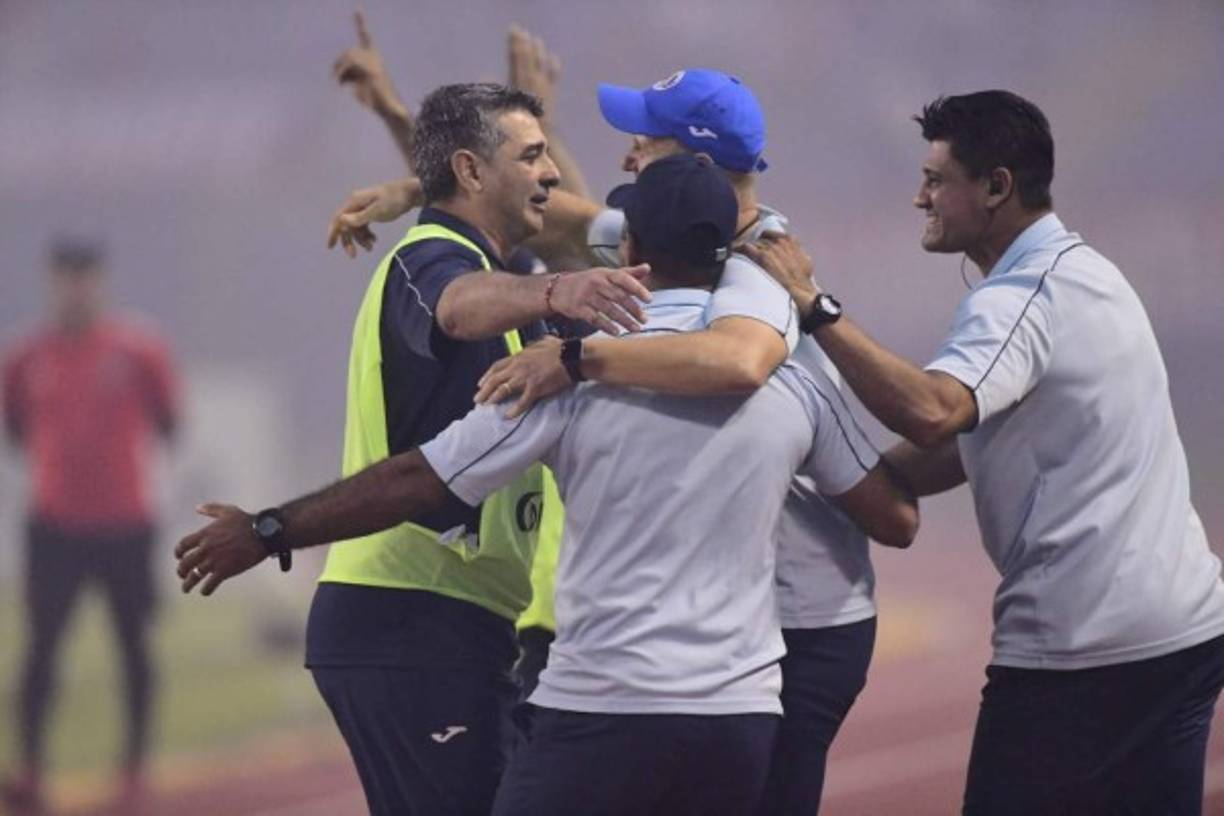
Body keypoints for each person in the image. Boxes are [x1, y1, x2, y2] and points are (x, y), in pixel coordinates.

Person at [175, 153, 919, 815]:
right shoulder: (789, 381)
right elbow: (893, 517)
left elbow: (420, 479)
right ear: (729, 254)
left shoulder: (565, 371)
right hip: (739, 714)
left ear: (629, 248)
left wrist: (269, 529)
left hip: (600, 708)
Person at [745, 89, 1224, 815]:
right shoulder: (1087, 271)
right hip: (1183, 629)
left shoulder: (1022, 295)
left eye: (937, 179)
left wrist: (814, 308)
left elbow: (938, 413)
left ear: (997, 186)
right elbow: (974, 443)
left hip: (1085, 644)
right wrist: (855, 488)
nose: (919, 197)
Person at [244, 81, 649, 816]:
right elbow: (457, 306)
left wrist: (409, 175)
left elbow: (591, 236)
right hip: (410, 613)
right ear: (470, 172)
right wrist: (562, 292)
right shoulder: (435, 260)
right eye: (533, 155)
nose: (554, 171)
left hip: (452, 617)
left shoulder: (497, 267)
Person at [1, 239, 180, 813]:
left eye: (84, 279)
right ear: (52, 283)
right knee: (41, 650)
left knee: (133, 647)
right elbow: (15, 428)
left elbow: (169, 422)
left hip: (126, 523)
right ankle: (30, 768)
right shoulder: (25, 355)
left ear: (99, 283)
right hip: (53, 524)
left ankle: (134, 769)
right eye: (65, 279)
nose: (75, 290)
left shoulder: (138, 349)